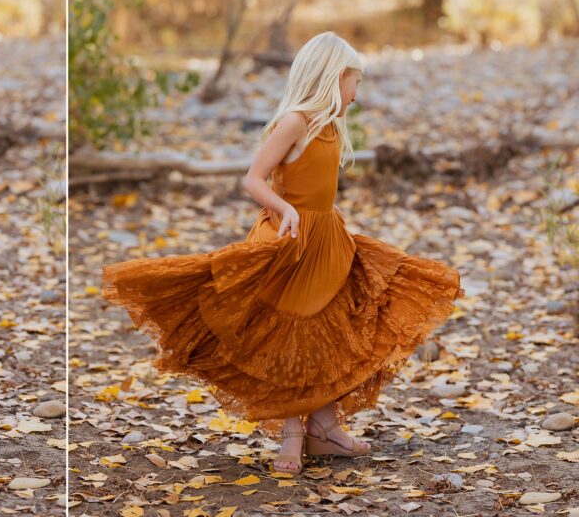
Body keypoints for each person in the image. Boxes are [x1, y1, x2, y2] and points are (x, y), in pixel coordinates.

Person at [102, 31, 461, 474]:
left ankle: (324, 427)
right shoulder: (295, 121)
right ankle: (293, 431)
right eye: (355, 83)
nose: (357, 93)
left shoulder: (330, 123)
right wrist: (284, 207)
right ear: (334, 77)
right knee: (291, 333)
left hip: (327, 239)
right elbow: (253, 178)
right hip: (290, 239)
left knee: (334, 329)